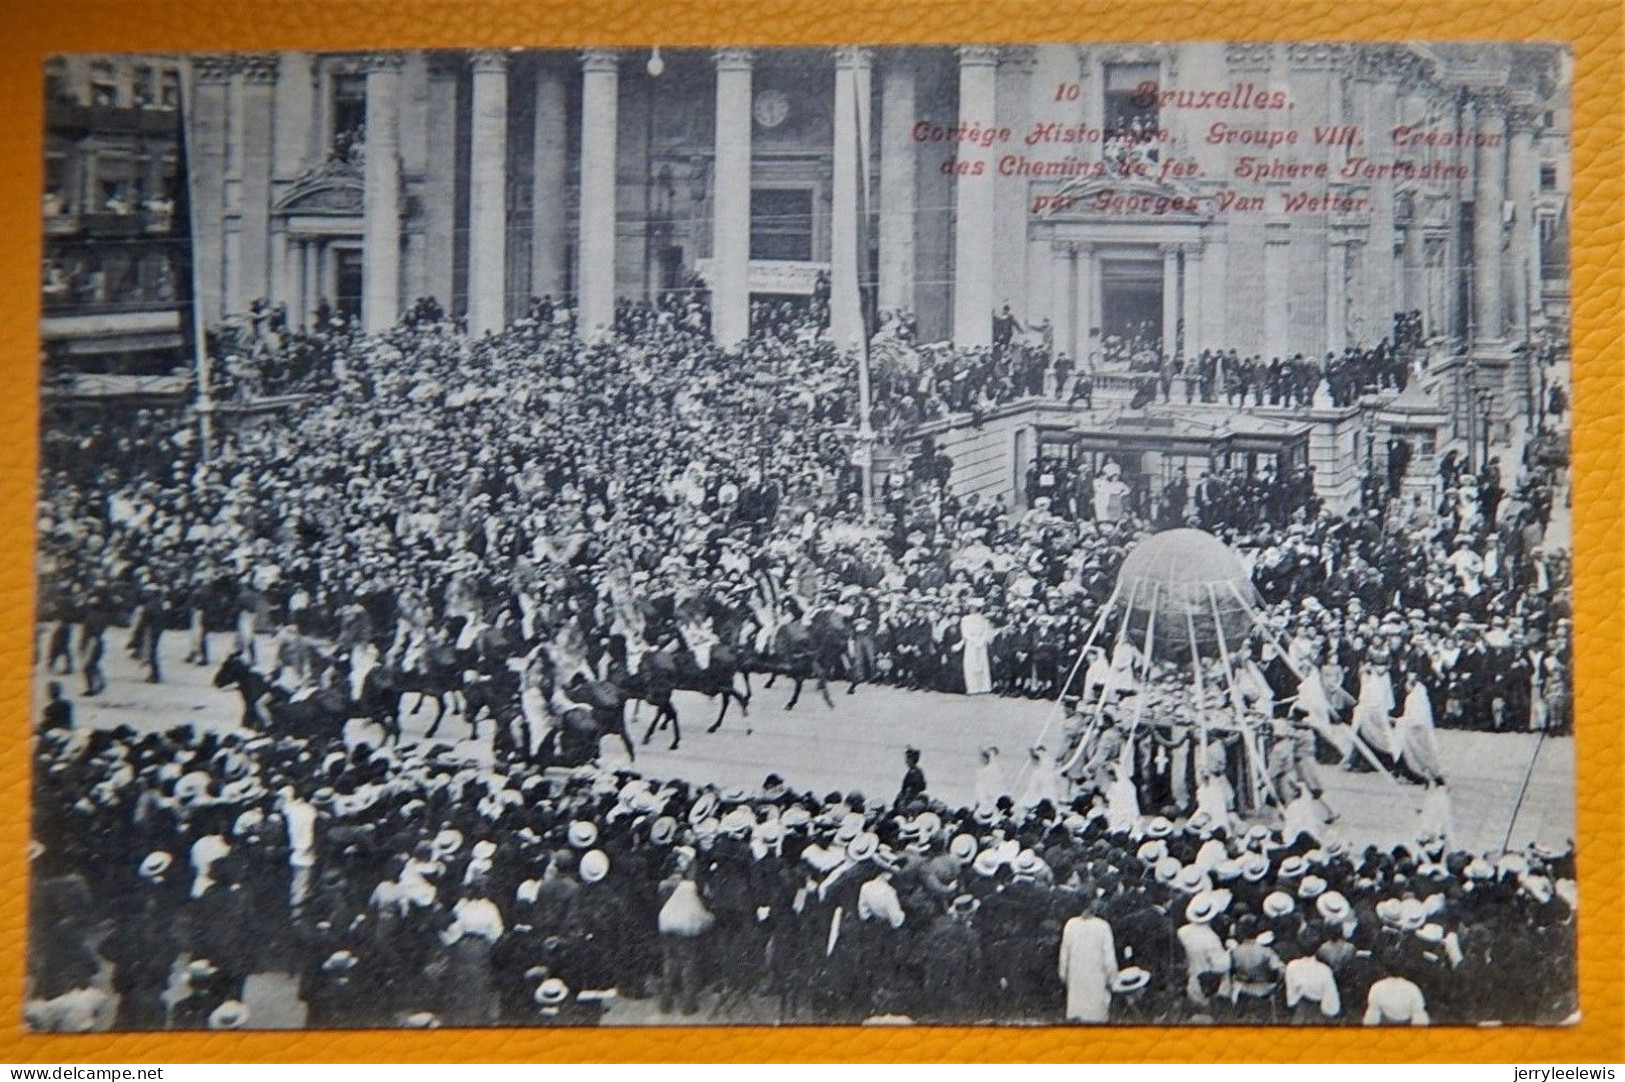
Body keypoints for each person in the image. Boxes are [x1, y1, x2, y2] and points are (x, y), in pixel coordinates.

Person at [1058, 899, 1118, 1023]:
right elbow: (1109, 958)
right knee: (1096, 1015)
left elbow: (1064, 955)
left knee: (1077, 1015)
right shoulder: (1103, 926)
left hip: (1076, 977)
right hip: (1096, 977)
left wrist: (1063, 975)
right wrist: (1112, 979)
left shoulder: (1070, 925)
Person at [959, 599, 995, 695]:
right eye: (971, 607)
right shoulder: (965, 619)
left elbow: (986, 632)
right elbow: (965, 633)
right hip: (971, 644)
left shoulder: (983, 619)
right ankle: (972, 688)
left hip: (981, 644)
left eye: (974, 607)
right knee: (970, 664)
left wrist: (981, 641)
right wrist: (974, 640)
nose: (972, 609)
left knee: (982, 664)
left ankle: (984, 687)